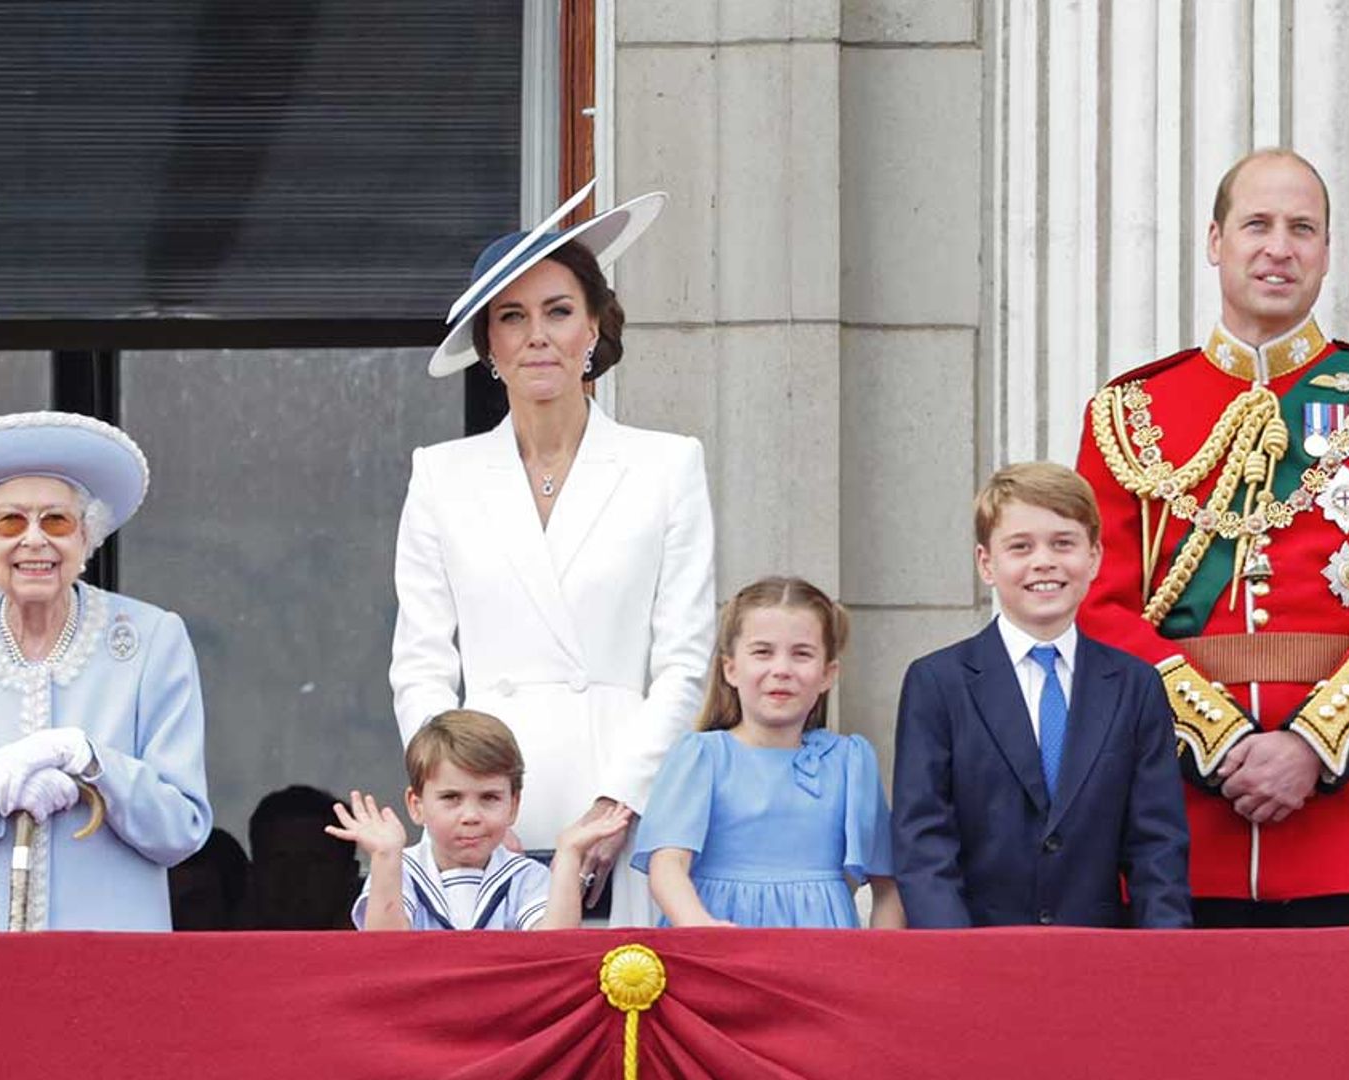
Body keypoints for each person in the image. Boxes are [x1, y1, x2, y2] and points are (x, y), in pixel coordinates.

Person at [1076, 149, 1349, 927]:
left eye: (1302, 229)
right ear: (1216, 241)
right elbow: (1096, 603)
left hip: (1342, 825)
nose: (1278, 247)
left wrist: (1315, 746)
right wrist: (1219, 743)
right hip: (1175, 824)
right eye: (1257, 225)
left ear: (1327, 252)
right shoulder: (1129, 413)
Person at [390, 182, 717, 925]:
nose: (537, 335)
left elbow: (685, 659)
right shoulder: (440, 475)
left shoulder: (667, 465)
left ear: (595, 328)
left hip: (621, 793)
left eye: (559, 311)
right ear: (490, 348)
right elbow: (420, 661)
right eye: (512, 317)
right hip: (482, 806)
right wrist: (457, 792)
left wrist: (623, 795)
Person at [0, 412, 211, 931]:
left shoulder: (153, 639)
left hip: (115, 957)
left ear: (86, 538)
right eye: (9, 522)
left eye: (57, 521)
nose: (34, 541)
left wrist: (94, 763)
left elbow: (181, 829)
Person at [894, 463, 1192, 928]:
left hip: (1097, 957)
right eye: (1020, 547)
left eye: (1063, 543)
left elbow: (1157, 846)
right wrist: (953, 958)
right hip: (977, 953)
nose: (1044, 561)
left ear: (1093, 557)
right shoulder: (938, 683)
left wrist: (1164, 960)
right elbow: (924, 839)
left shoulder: (1135, 686)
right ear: (986, 563)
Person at [633, 577, 903, 929]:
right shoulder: (702, 756)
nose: (781, 670)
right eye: (762, 652)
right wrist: (700, 926)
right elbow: (667, 865)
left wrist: (877, 964)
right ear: (730, 669)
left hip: (821, 956)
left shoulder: (850, 762)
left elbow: (888, 885)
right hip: (719, 948)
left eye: (802, 654)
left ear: (828, 674)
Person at [329, 708, 630, 931]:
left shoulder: (524, 877)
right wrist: (384, 857)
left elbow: (554, 951)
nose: (471, 816)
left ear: (513, 805)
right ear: (416, 805)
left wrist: (569, 854)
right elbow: (385, 952)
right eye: (451, 798)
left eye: (489, 798)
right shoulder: (401, 871)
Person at [242, 784, 358, 930]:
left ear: (349, 874)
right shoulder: (225, 951)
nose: (294, 876)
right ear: (252, 873)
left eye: (314, 861)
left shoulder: (373, 949)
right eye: (279, 860)